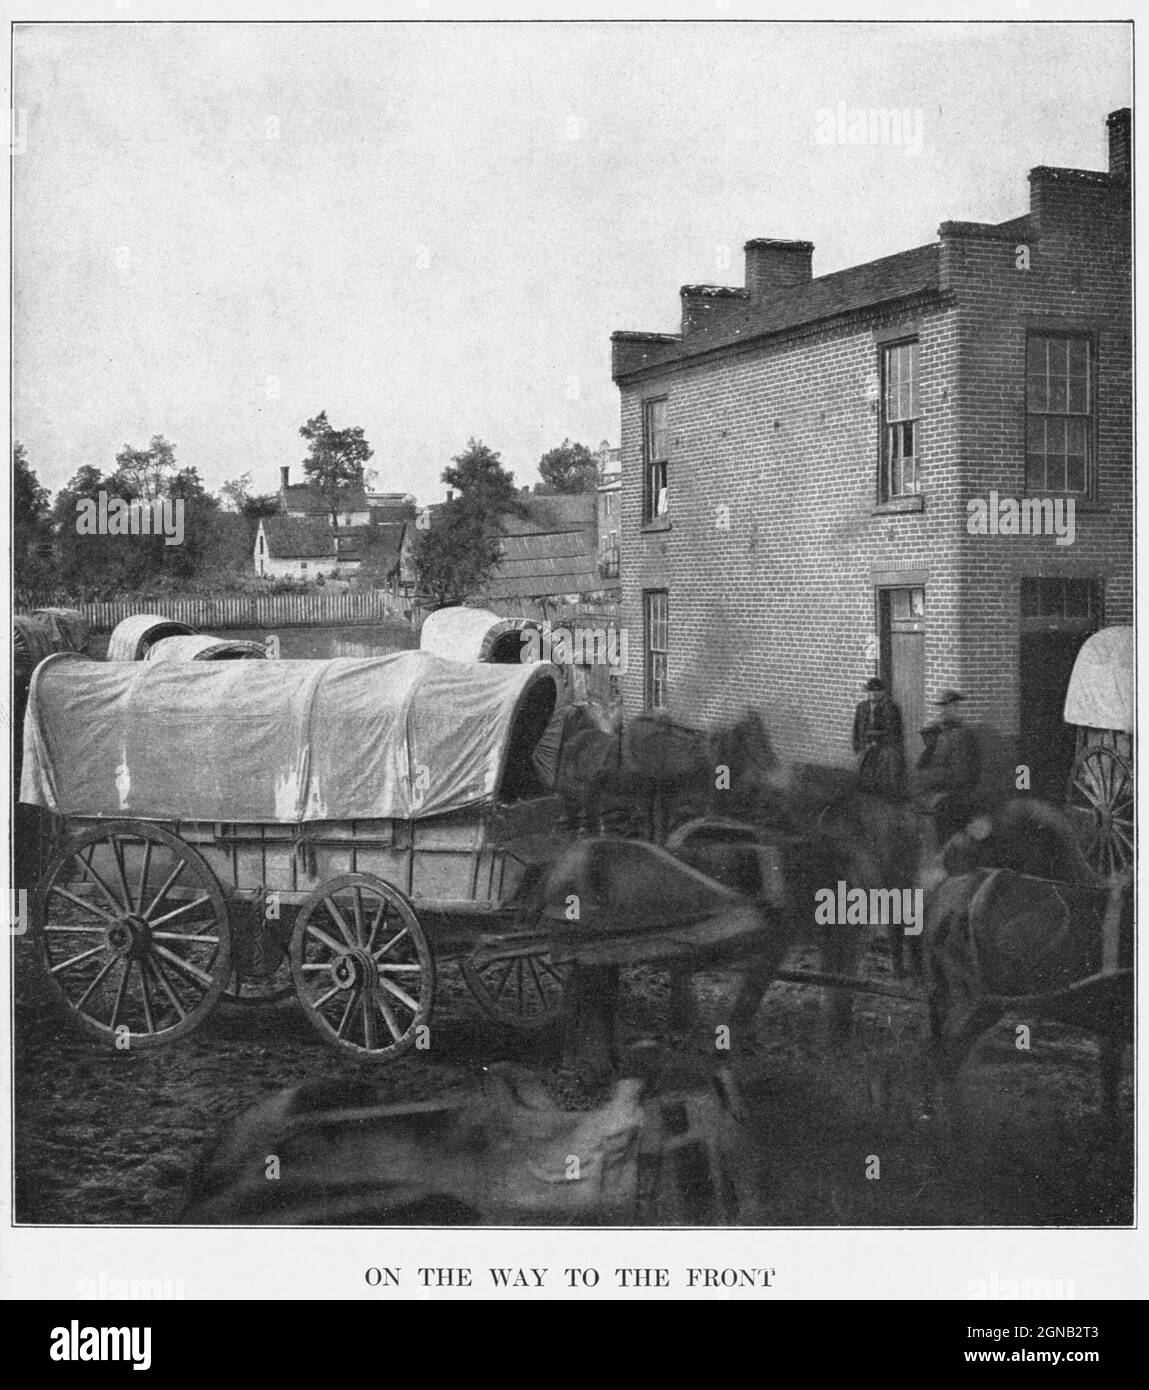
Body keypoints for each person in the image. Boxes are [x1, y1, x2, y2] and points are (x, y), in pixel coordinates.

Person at [915, 689, 980, 843]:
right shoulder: (943, 732)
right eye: (942, 707)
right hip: (940, 789)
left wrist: (931, 778)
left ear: (956, 707)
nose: (943, 711)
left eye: (947, 707)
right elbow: (929, 762)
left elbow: (960, 774)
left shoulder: (962, 735)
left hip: (956, 794)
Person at [851, 676, 906, 799]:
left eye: (876, 691)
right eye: (870, 691)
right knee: (863, 781)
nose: (873, 694)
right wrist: (857, 746)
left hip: (883, 749)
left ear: (883, 692)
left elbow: (892, 731)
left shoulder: (890, 708)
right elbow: (856, 728)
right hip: (865, 748)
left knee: (882, 782)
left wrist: (874, 736)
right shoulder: (862, 707)